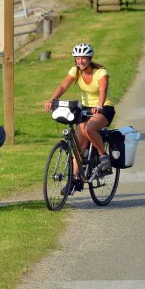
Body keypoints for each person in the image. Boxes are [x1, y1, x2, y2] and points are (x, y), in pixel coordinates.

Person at [44, 43, 115, 194]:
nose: (80, 61)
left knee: (90, 128)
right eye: (77, 58)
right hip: (85, 109)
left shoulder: (101, 72)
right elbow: (63, 86)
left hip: (104, 109)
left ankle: (103, 155)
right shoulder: (75, 71)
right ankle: (73, 180)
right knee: (78, 145)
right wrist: (52, 100)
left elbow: (103, 90)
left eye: (83, 58)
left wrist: (100, 106)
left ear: (90, 58)